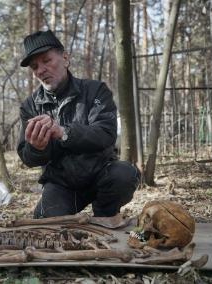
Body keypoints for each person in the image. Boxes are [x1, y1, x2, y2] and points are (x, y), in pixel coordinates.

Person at [17, 30, 140, 219]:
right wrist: (37, 148)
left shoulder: (95, 90)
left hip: (101, 174)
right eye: (34, 66)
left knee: (124, 174)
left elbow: (106, 134)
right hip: (61, 184)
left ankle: (104, 215)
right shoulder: (30, 106)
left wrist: (64, 132)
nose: (40, 70)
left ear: (65, 58)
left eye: (46, 60)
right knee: (46, 224)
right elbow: (27, 156)